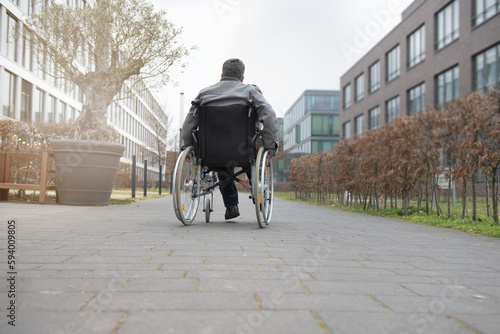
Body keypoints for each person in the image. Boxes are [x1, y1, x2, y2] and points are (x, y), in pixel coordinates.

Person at [181, 58, 279, 220]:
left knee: (222, 167)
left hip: (211, 151)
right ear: (242, 78)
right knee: (251, 161)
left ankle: (231, 206)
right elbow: (269, 115)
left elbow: (189, 123)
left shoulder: (204, 94)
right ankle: (258, 194)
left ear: (221, 75)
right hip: (244, 150)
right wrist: (270, 146)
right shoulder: (250, 92)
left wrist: (186, 146)